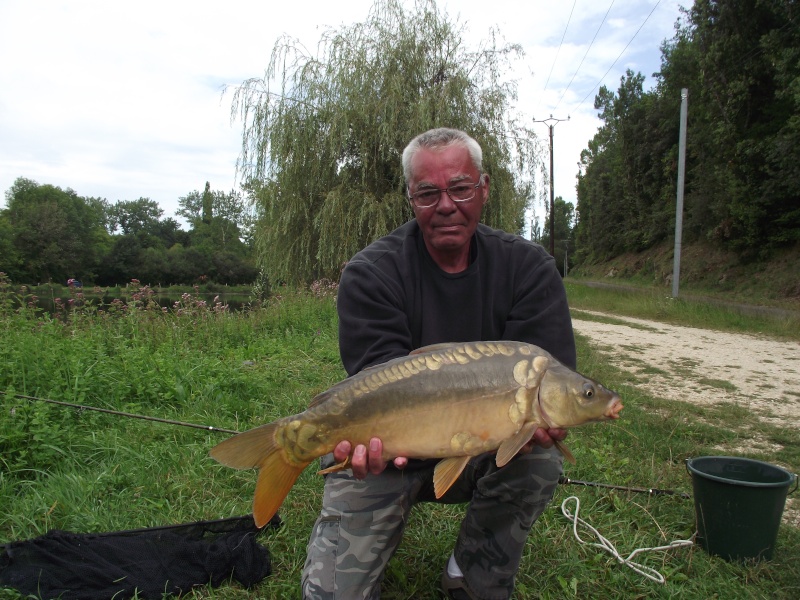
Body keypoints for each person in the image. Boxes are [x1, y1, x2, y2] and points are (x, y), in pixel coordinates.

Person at [301, 127, 576, 600]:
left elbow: (551, 380)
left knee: (539, 457)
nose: (446, 204)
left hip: (482, 449)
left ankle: (472, 573)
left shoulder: (529, 268)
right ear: (411, 198)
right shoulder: (371, 272)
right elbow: (379, 385)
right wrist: (360, 442)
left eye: (461, 188)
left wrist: (540, 424)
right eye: (428, 192)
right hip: (389, 452)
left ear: (483, 188)